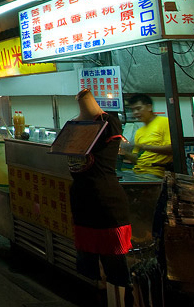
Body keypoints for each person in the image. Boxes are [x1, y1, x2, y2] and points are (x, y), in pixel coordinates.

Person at [64, 89, 132, 306]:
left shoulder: (108, 123)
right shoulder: (72, 125)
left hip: (106, 200)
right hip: (82, 202)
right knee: (88, 264)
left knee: (114, 264)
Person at [123, 94, 173, 178]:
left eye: (138, 108)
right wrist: (123, 152)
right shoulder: (139, 131)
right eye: (133, 110)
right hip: (138, 171)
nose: (135, 113)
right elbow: (136, 158)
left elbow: (172, 149)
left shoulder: (164, 122)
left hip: (156, 172)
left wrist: (144, 146)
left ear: (149, 107)